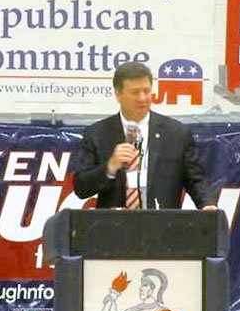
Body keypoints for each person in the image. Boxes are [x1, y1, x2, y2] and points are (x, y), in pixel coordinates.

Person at [73, 61, 217, 210]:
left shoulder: (176, 133)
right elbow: (81, 188)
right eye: (135, 92)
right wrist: (110, 167)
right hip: (113, 227)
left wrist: (207, 204)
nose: (142, 98)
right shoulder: (97, 134)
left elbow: (196, 179)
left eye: (146, 91)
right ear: (118, 94)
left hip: (163, 225)